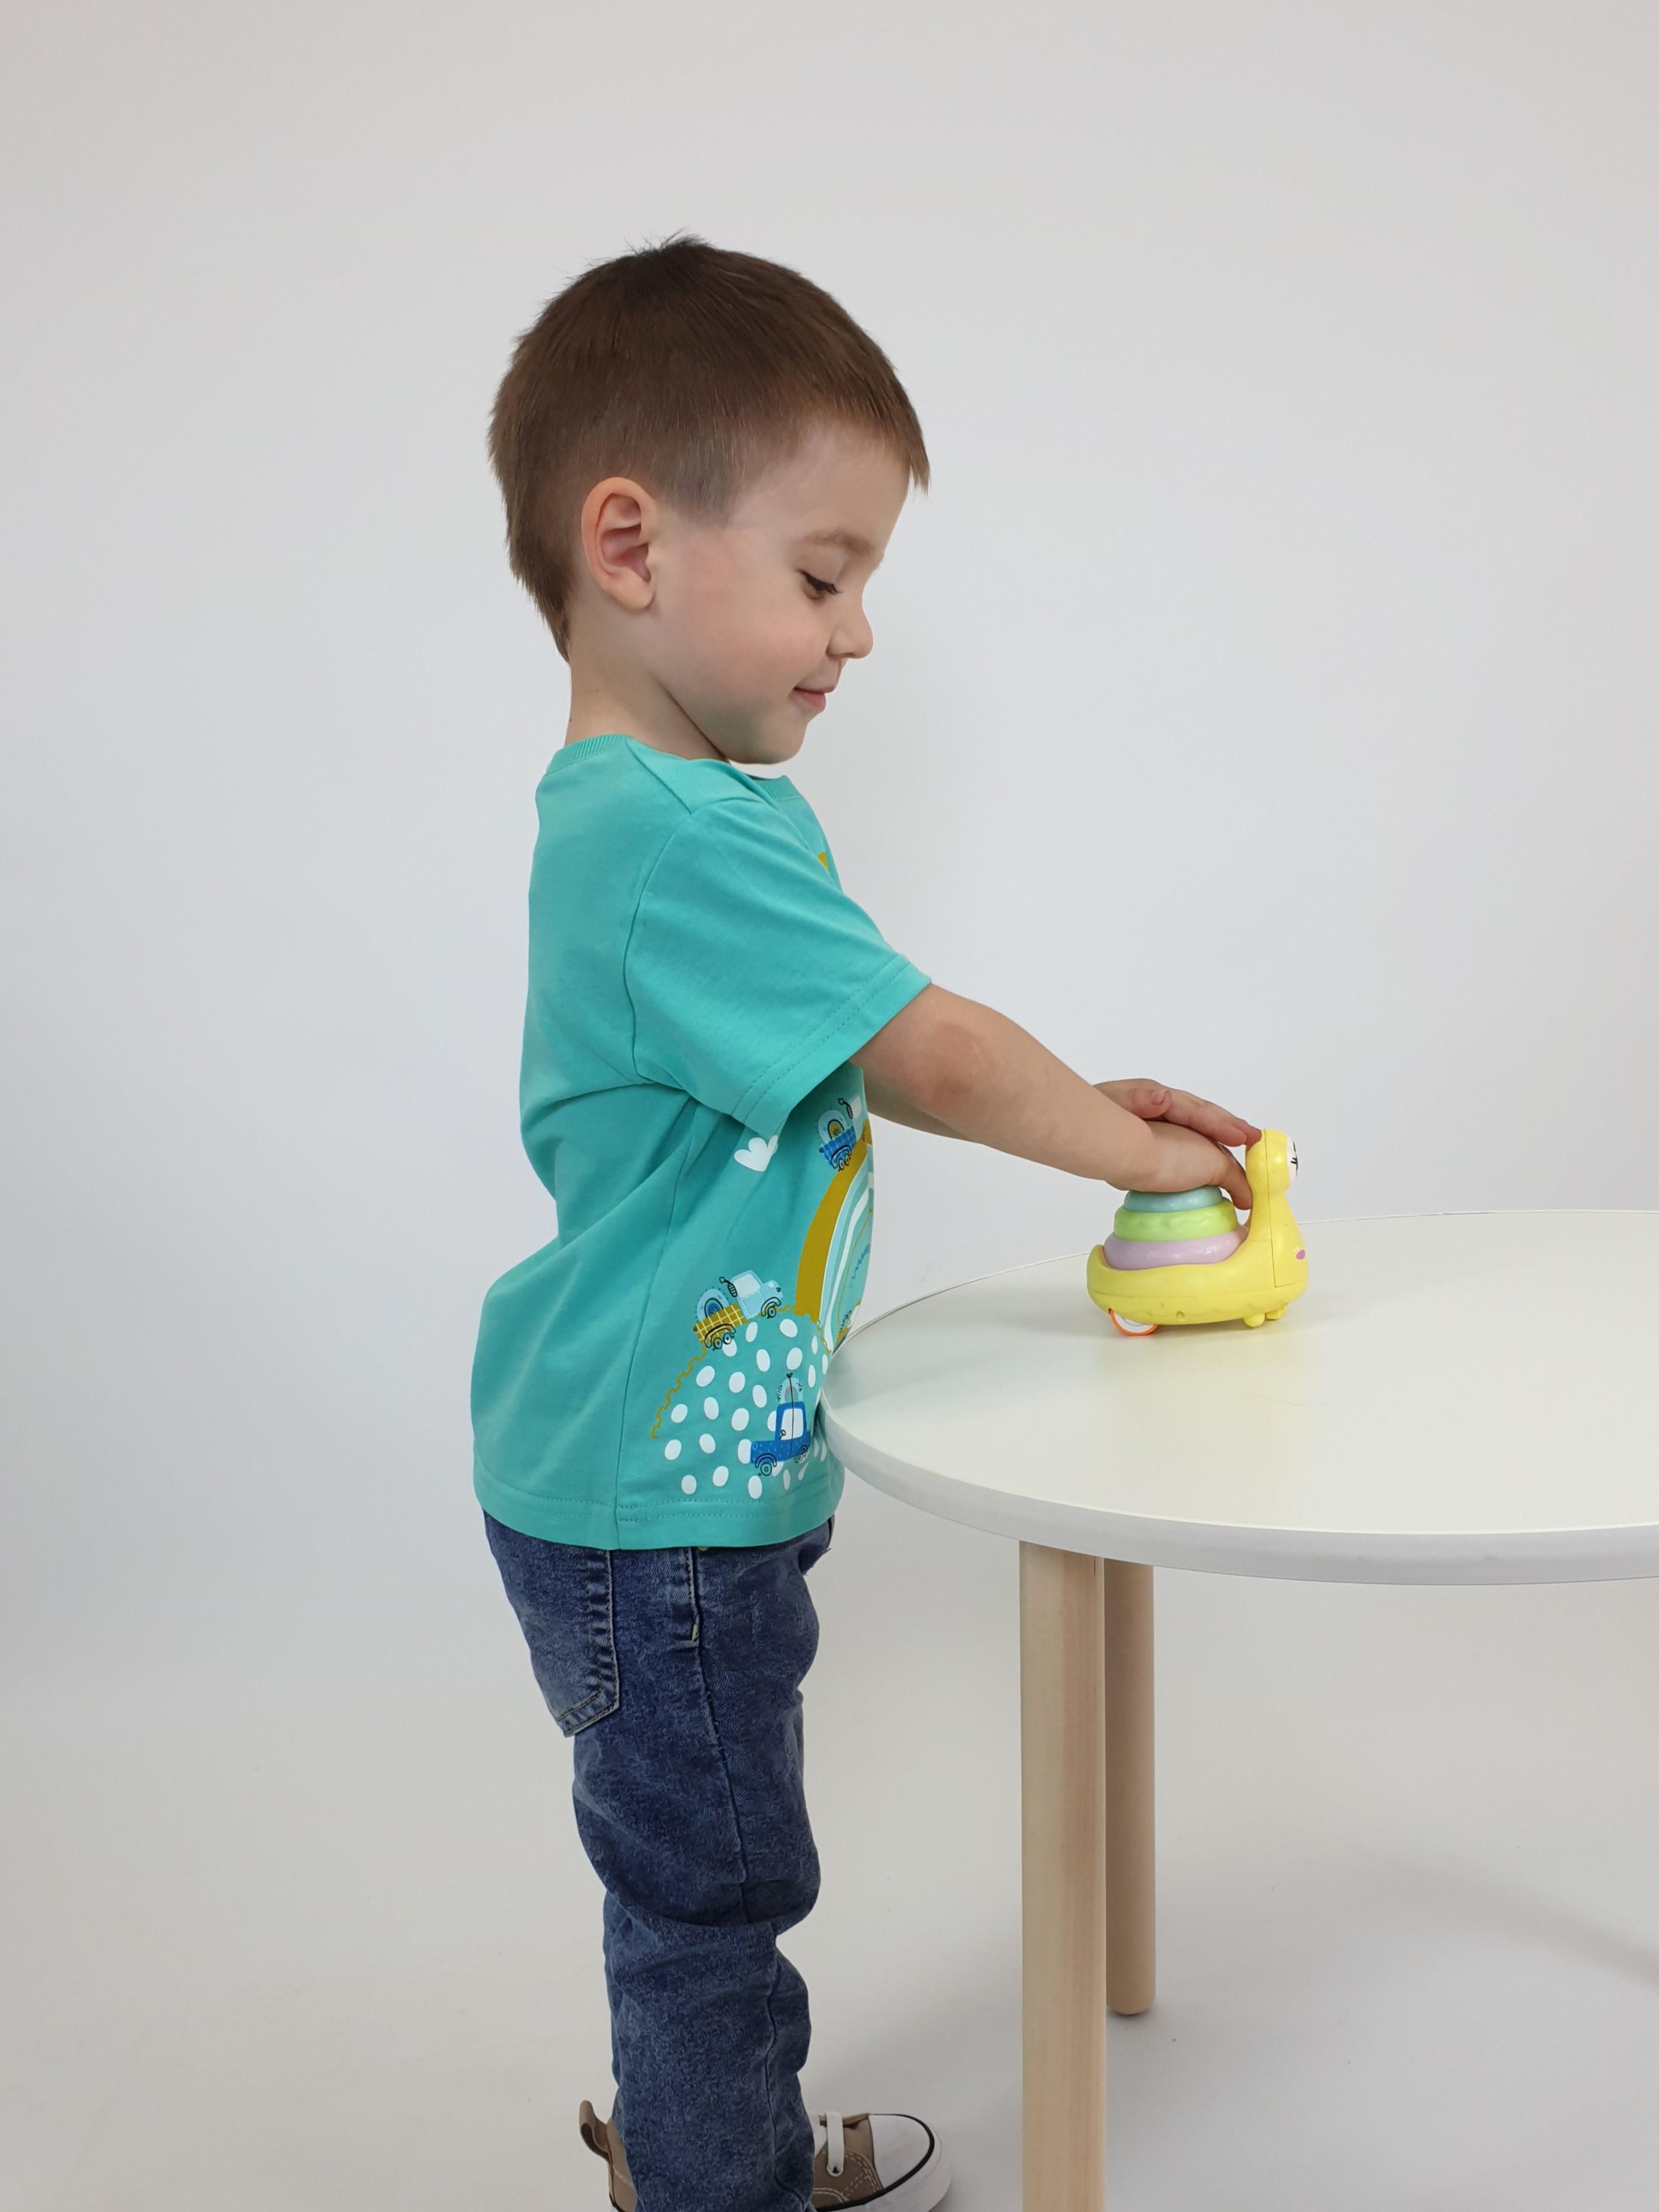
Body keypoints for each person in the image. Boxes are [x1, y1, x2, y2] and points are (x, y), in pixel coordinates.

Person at [472, 236, 1258, 2212]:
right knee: (715, 1891)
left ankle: (697, 2138)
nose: (860, 633)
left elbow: (882, 1043)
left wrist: (1096, 1101)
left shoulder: (691, 816)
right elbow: (937, 1051)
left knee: (700, 1871)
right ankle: (716, 2180)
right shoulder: (663, 834)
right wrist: (1135, 1156)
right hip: (649, 1506)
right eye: (825, 577)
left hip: (666, 1479)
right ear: (630, 546)